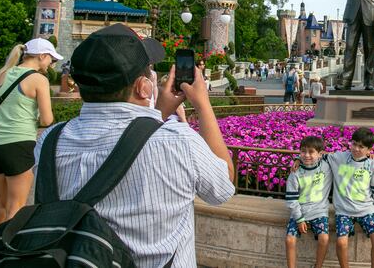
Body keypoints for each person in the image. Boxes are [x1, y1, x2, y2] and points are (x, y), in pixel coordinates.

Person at [33, 23, 234, 266]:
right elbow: (223, 187)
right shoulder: (179, 141)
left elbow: (131, 143)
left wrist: (158, 112)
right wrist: (202, 103)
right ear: (143, 86)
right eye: (149, 70)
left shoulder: (49, 141)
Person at [0, 39, 59, 225]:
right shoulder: (39, 80)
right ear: (42, 56)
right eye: (51, 59)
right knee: (16, 208)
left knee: (0, 206)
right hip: (18, 146)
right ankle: (9, 251)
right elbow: (47, 120)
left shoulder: (1, 74)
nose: (52, 63)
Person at [324, 127, 374, 268]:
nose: (356, 148)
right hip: (344, 211)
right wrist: (298, 160)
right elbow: (318, 156)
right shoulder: (339, 157)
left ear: (369, 150)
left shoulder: (372, 164)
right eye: (354, 143)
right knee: (341, 242)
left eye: (361, 147)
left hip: (366, 210)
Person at [285, 136, 331, 268]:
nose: (306, 155)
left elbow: (345, 157)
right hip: (299, 212)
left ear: (320, 154)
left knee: (324, 238)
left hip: (319, 211)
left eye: (311, 152)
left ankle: (318, 266)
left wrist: (369, 154)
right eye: (303, 151)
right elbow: (292, 199)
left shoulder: (326, 166)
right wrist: (299, 219)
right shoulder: (295, 172)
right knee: (290, 240)